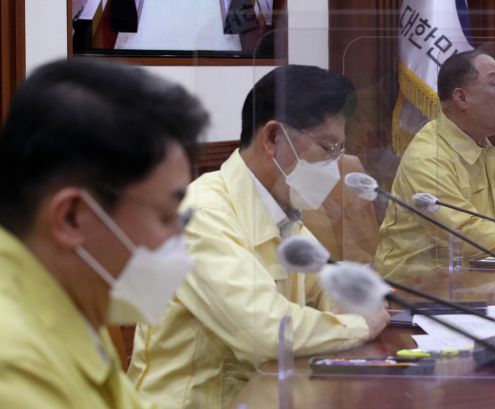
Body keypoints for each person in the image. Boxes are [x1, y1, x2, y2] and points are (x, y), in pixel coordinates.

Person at [128, 65, 390, 409]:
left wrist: (345, 312)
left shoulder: (283, 212)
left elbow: (329, 288)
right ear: (273, 138)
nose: (333, 166)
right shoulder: (201, 215)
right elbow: (266, 331)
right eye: (327, 148)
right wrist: (357, 326)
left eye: (338, 151)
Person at [0, 58, 208, 407]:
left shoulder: (74, 301)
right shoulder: (15, 366)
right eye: (165, 217)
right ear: (71, 218)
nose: (179, 240)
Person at [375, 50, 495, 283]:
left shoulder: (483, 147)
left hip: (472, 275)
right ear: (461, 98)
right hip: (417, 287)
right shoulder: (429, 158)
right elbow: (463, 235)